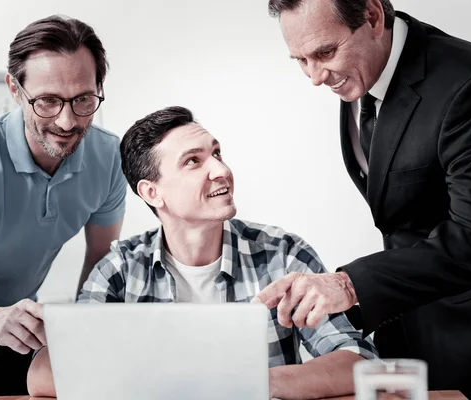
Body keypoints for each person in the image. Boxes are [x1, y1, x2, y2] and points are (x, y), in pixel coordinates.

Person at [254, 0, 471, 398]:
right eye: (301, 60)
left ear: (373, 15)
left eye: (324, 53)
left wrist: (348, 284)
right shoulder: (360, 73)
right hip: (406, 319)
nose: (314, 77)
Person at [26, 106, 378, 399]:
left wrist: (253, 384)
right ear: (152, 192)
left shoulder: (283, 255)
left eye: (216, 153)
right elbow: (44, 374)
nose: (221, 171)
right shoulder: (119, 270)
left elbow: (357, 360)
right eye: (193, 161)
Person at [0, 15, 127, 399]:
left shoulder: (109, 157)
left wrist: (88, 339)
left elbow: (102, 268)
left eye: (83, 99)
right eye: (47, 101)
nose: (67, 122)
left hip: (20, 328)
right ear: (14, 90)